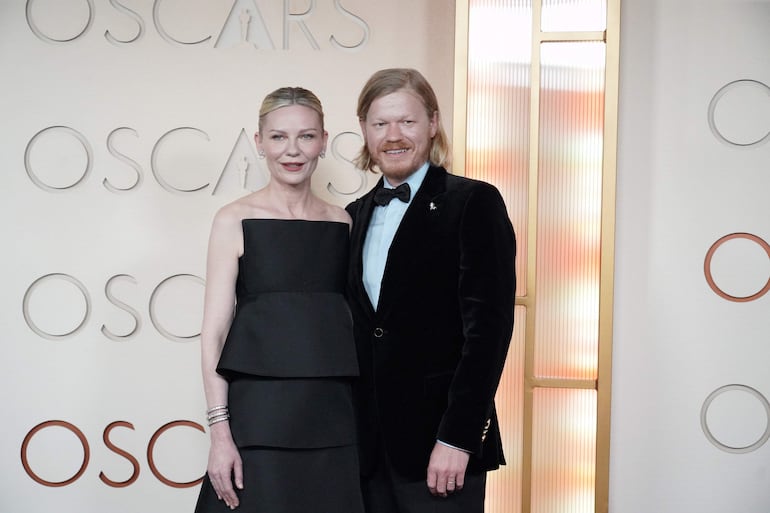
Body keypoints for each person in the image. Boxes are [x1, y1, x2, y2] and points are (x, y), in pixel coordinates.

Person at [346, 68, 516, 513]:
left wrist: (458, 437)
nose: (393, 135)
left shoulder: (473, 202)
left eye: (407, 121)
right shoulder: (353, 215)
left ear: (433, 124)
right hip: (368, 452)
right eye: (380, 123)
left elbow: (489, 333)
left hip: (441, 447)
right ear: (364, 131)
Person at [194, 86, 364, 513]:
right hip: (258, 421)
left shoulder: (342, 222)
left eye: (306, 136)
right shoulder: (233, 219)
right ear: (259, 143)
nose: (293, 150)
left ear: (324, 141)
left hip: (332, 418)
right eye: (278, 137)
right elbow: (214, 334)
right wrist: (220, 434)